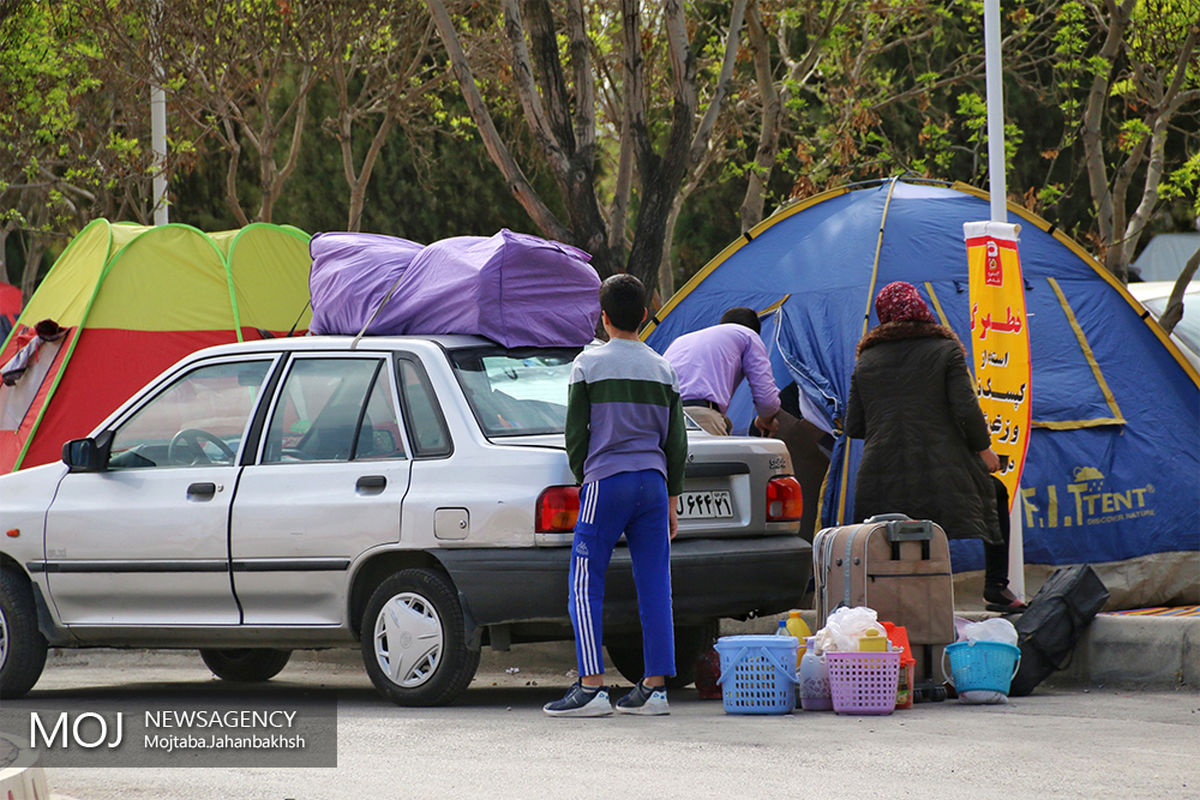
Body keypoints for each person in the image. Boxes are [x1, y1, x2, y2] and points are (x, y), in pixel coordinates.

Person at [543, 274, 689, 717]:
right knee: (655, 585)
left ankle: (591, 686)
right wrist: (671, 498)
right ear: (644, 316)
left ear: (603, 318)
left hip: (606, 481)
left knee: (585, 584)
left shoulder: (588, 365)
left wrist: (583, 476)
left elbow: (576, 435)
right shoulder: (663, 368)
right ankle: (656, 688)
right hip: (653, 483)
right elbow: (677, 443)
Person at [845, 281, 1025, 610]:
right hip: (941, 464)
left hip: (880, 471)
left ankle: (898, 604)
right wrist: (983, 450)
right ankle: (996, 587)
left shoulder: (866, 359)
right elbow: (965, 407)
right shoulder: (945, 350)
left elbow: (855, 425)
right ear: (920, 308)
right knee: (996, 494)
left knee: (898, 528)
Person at [663, 307, 781, 436]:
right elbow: (766, 397)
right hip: (699, 417)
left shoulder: (681, 340)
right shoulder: (748, 335)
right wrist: (766, 419)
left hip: (661, 417)